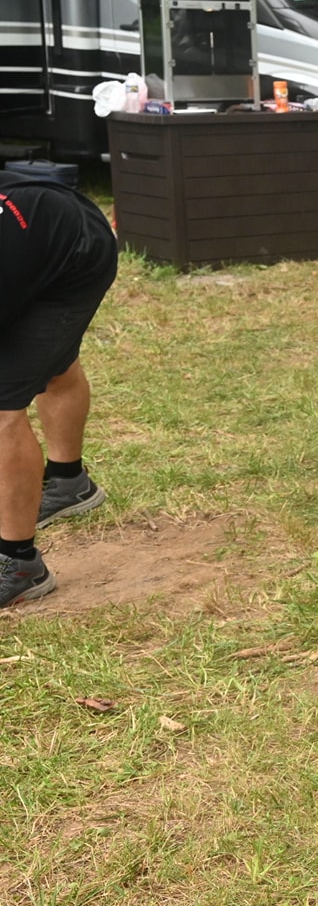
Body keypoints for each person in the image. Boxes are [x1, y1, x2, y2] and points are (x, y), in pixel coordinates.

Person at [0, 167, 119, 608]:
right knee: (51, 363)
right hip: (36, 229)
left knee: (3, 407)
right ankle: (69, 483)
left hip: (75, 249)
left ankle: (19, 563)